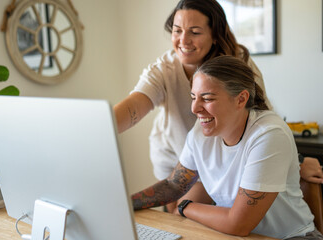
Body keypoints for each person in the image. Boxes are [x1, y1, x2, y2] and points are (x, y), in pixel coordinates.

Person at [114, 0, 323, 212]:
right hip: (174, 157)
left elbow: (264, 122)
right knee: (171, 218)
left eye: (194, 32)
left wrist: (293, 163)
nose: (183, 40)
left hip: (219, 161)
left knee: (182, 213)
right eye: (177, 30)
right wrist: (101, 129)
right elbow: (134, 107)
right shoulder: (163, 70)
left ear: (214, 35)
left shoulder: (237, 67)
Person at [131, 55, 323, 239]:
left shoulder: (268, 134)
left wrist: (185, 207)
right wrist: (127, 203)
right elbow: (174, 185)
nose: (195, 108)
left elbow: (237, 224)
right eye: (193, 97)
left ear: (241, 99)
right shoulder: (201, 132)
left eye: (207, 98)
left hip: (289, 237)